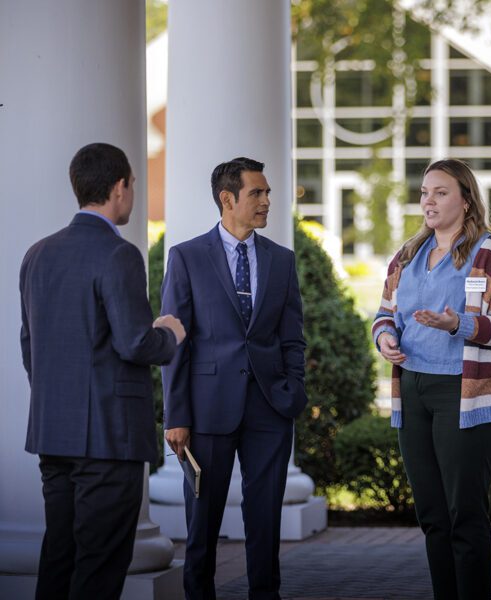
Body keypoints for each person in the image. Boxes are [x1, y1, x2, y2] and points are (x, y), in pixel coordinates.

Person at [19, 142, 186, 599]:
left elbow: (29, 345)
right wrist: (170, 333)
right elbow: (135, 342)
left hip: (53, 434)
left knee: (59, 556)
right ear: (120, 187)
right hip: (109, 440)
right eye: (132, 184)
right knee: (99, 567)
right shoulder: (120, 254)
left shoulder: (37, 254)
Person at [372, 159, 491, 600]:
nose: (429, 201)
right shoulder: (407, 255)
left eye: (440, 192)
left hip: (467, 393)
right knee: (433, 516)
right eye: (424, 192)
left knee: (464, 516)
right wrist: (385, 339)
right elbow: (385, 315)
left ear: (466, 199)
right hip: (414, 391)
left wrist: (457, 324)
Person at [161, 157, 308, 600]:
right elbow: (174, 342)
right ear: (228, 199)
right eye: (256, 193)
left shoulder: (281, 260)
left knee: (265, 521)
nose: (267, 201)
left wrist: (294, 390)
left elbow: (292, 336)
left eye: (267, 193)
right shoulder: (186, 257)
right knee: (201, 524)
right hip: (206, 411)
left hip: (271, 408)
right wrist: (176, 415)